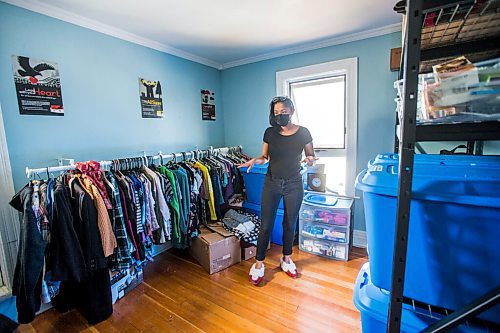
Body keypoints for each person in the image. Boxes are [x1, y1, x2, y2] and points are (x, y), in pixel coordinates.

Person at [238, 96, 317, 285]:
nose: (279, 115)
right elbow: (264, 157)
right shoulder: (270, 133)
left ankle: (286, 259)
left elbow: (311, 155)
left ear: (291, 111)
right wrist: (256, 160)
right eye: (276, 113)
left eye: (283, 112)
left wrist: (311, 160)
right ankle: (259, 263)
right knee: (266, 225)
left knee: (290, 224)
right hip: (272, 182)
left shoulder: (303, 132)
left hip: (294, 183)